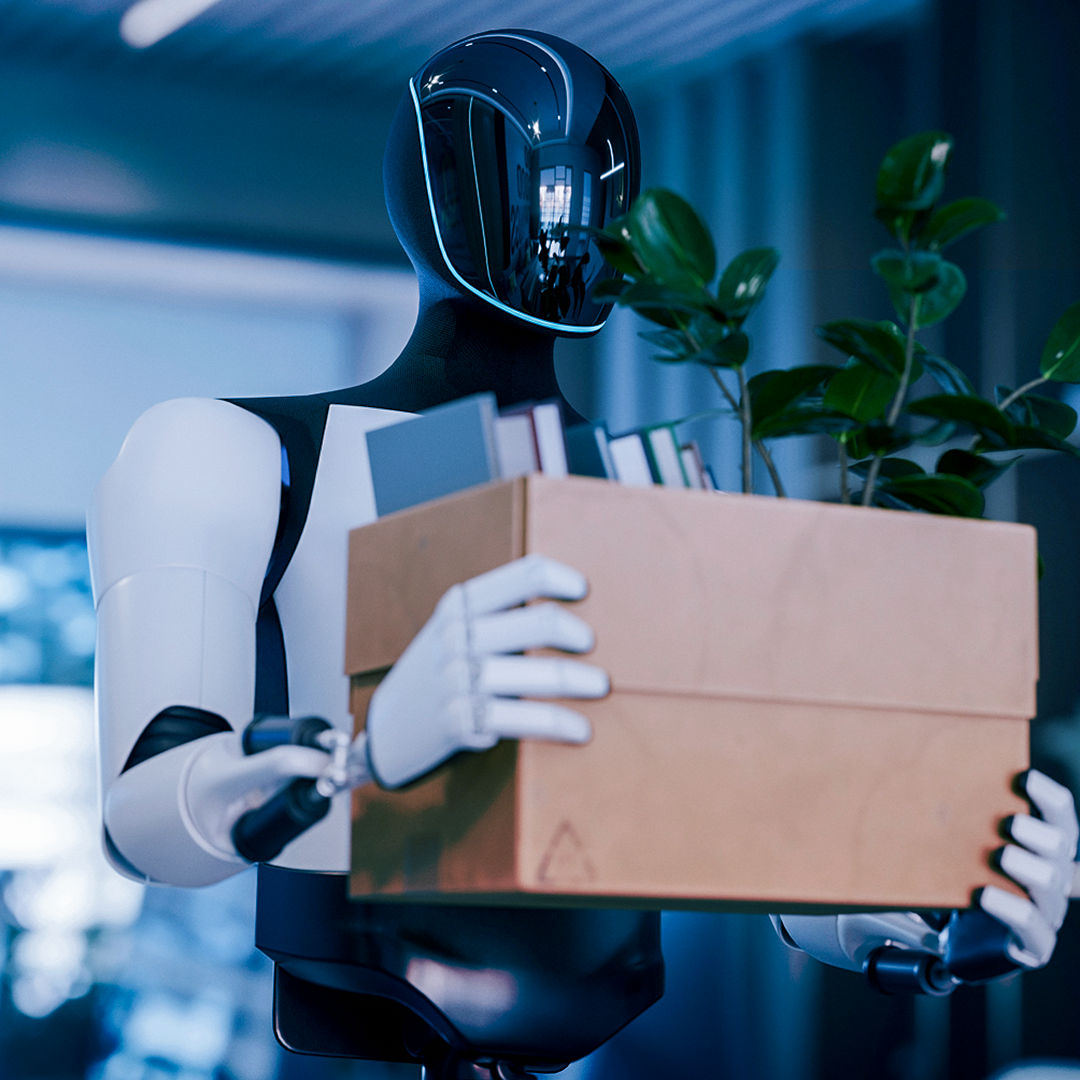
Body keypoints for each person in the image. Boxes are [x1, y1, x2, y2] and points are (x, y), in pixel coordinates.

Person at [88, 28, 1078, 1080]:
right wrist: (363, 753)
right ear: (432, 178)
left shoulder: (659, 495)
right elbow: (148, 815)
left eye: (583, 183)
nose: (557, 214)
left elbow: (746, 841)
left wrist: (943, 918)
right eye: (525, 171)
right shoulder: (234, 454)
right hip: (355, 1037)